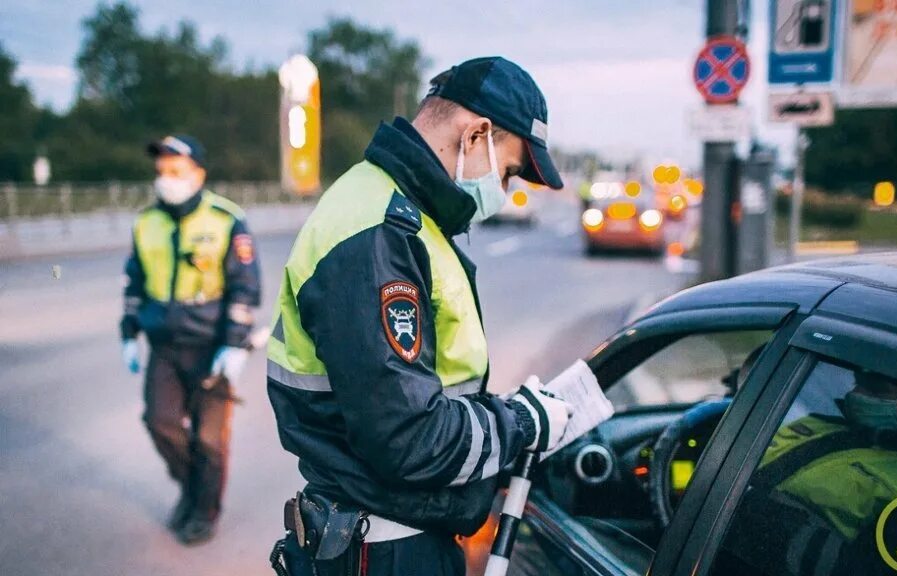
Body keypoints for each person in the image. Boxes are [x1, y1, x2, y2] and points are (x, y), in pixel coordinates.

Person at [266, 57, 574, 576]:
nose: (508, 189)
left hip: (392, 539)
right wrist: (521, 422)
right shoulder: (378, 234)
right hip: (382, 551)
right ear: (476, 135)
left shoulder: (403, 213)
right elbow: (409, 438)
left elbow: (418, 392)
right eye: (512, 171)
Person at [119, 135, 262, 545]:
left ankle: (203, 512)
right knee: (160, 423)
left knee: (209, 439)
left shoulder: (226, 219)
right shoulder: (146, 222)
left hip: (212, 346)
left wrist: (234, 344)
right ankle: (193, 488)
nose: (167, 180)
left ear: (198, 173)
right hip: (165, 346)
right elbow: (135, 282)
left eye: (177, 171)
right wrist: (128, 332)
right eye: (162, 172)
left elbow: (245, 287)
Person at [712, 371, 897, 575]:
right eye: (859, 380)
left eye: (875, 388)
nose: (855, 393)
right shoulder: (818, 425)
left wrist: (751, 512)